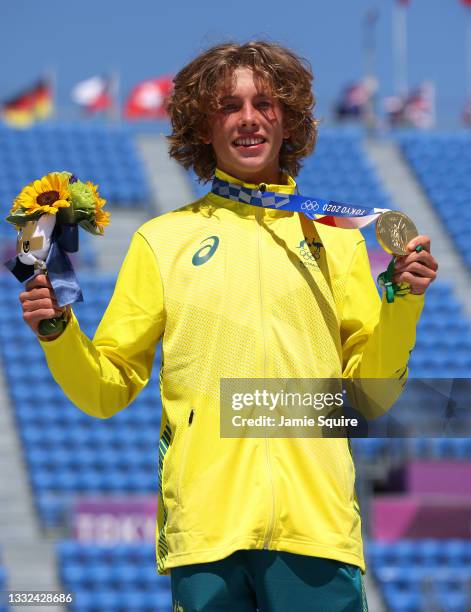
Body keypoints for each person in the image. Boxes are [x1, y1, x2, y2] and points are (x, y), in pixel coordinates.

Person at [19, 41, 438, 611]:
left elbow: (369, 396)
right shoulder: (162, 241)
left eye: (265, 102)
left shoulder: (338, 237)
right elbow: (104, 387)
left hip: (316, 528)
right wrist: (58, 333)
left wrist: (402, 303)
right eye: (228, 105)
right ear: (202, 125)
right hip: (207, 532)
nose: (248, 118)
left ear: (287, 118)